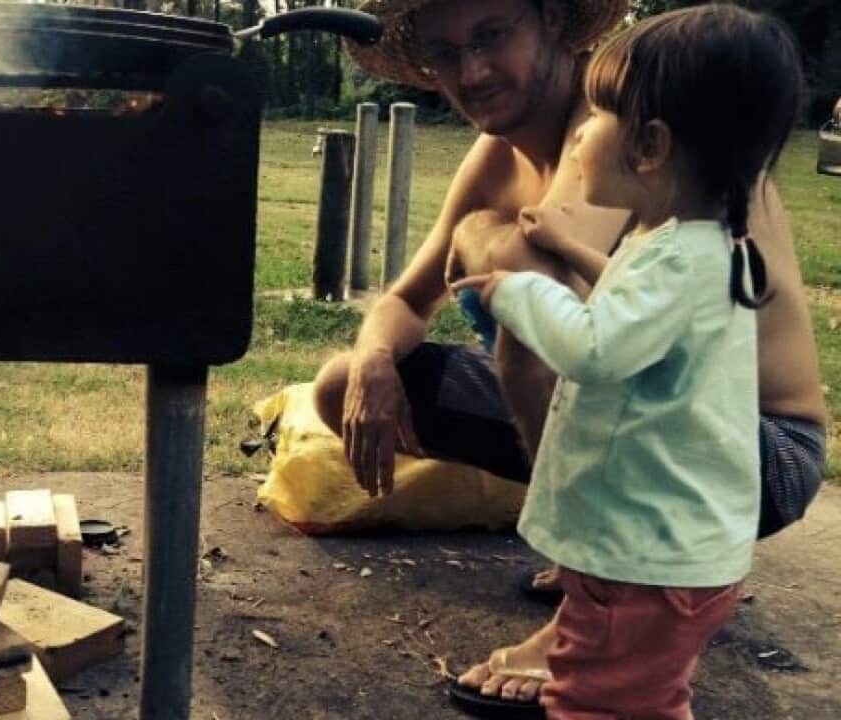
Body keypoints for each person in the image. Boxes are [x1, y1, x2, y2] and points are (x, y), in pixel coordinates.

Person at [312, 0, 827, 712]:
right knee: (345, 382)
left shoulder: (644, 125)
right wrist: (373, 364)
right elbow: (405, 301)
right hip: (644, 417)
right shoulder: (503, 151)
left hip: (751, 451)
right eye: (446, 52)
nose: (473, 71)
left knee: (509, 250)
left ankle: (590, 607)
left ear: (553, 21)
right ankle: (577, 534)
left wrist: (493, 256)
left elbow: (583, 339)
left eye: (492, 36)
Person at [445, 6, 800, 716]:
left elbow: (595, 349)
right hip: (669, 551)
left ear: (651, 147)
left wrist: (517, 293)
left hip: (649, 563)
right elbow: (645, 310)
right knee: (645, 699)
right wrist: (576, 252)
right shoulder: (698, 245)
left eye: (596, 120)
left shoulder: (675, 259)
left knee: (593, 703)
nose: (580, 136)